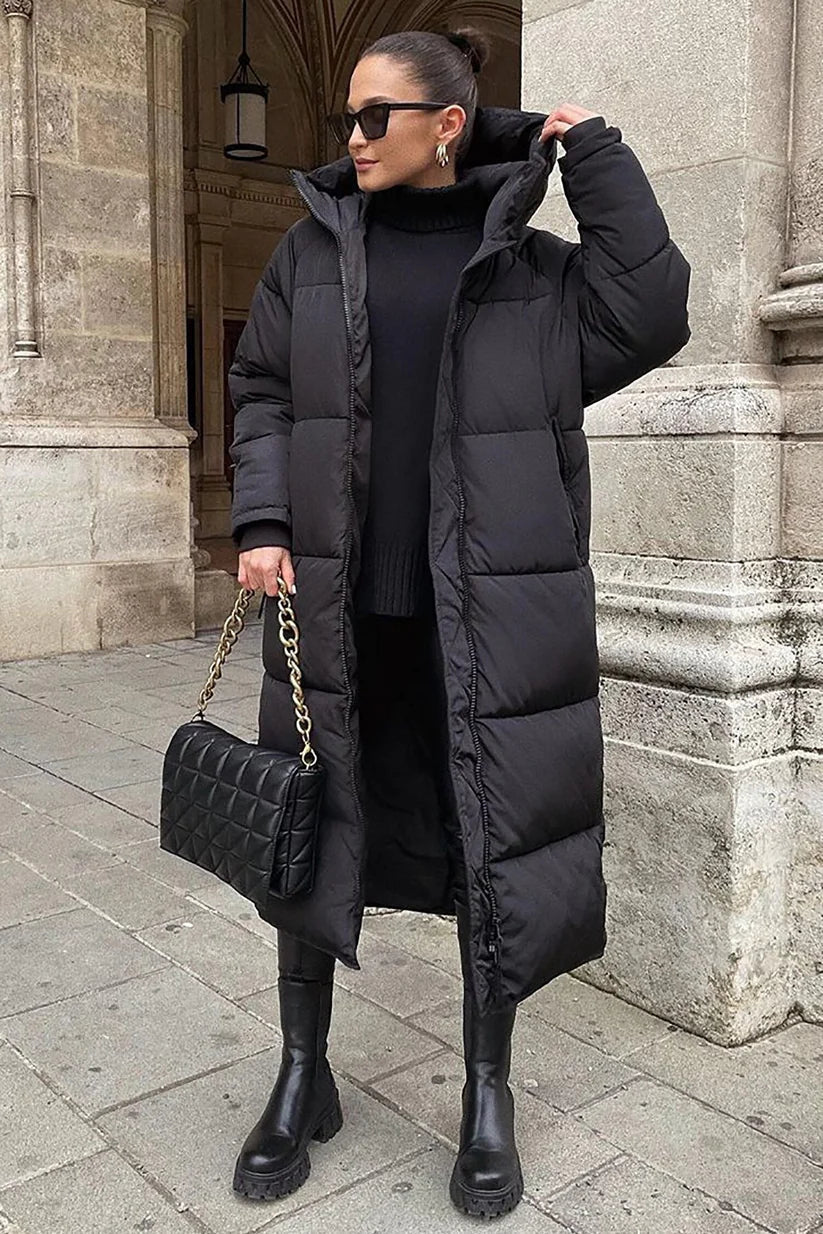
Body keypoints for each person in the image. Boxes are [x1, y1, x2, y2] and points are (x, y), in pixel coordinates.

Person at [226, 25, 691, 1219]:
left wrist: (593, 156)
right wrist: (263, 518)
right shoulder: (310, 251)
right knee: (306, 830)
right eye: (346, 115)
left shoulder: (535, 275)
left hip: (483, 615)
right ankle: (301, 1075)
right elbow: (262, 386)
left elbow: (652, 310)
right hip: (335, 608)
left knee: (491, 839)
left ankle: (488, 1096)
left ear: (446, 125)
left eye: (374, 115)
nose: (351, 137)